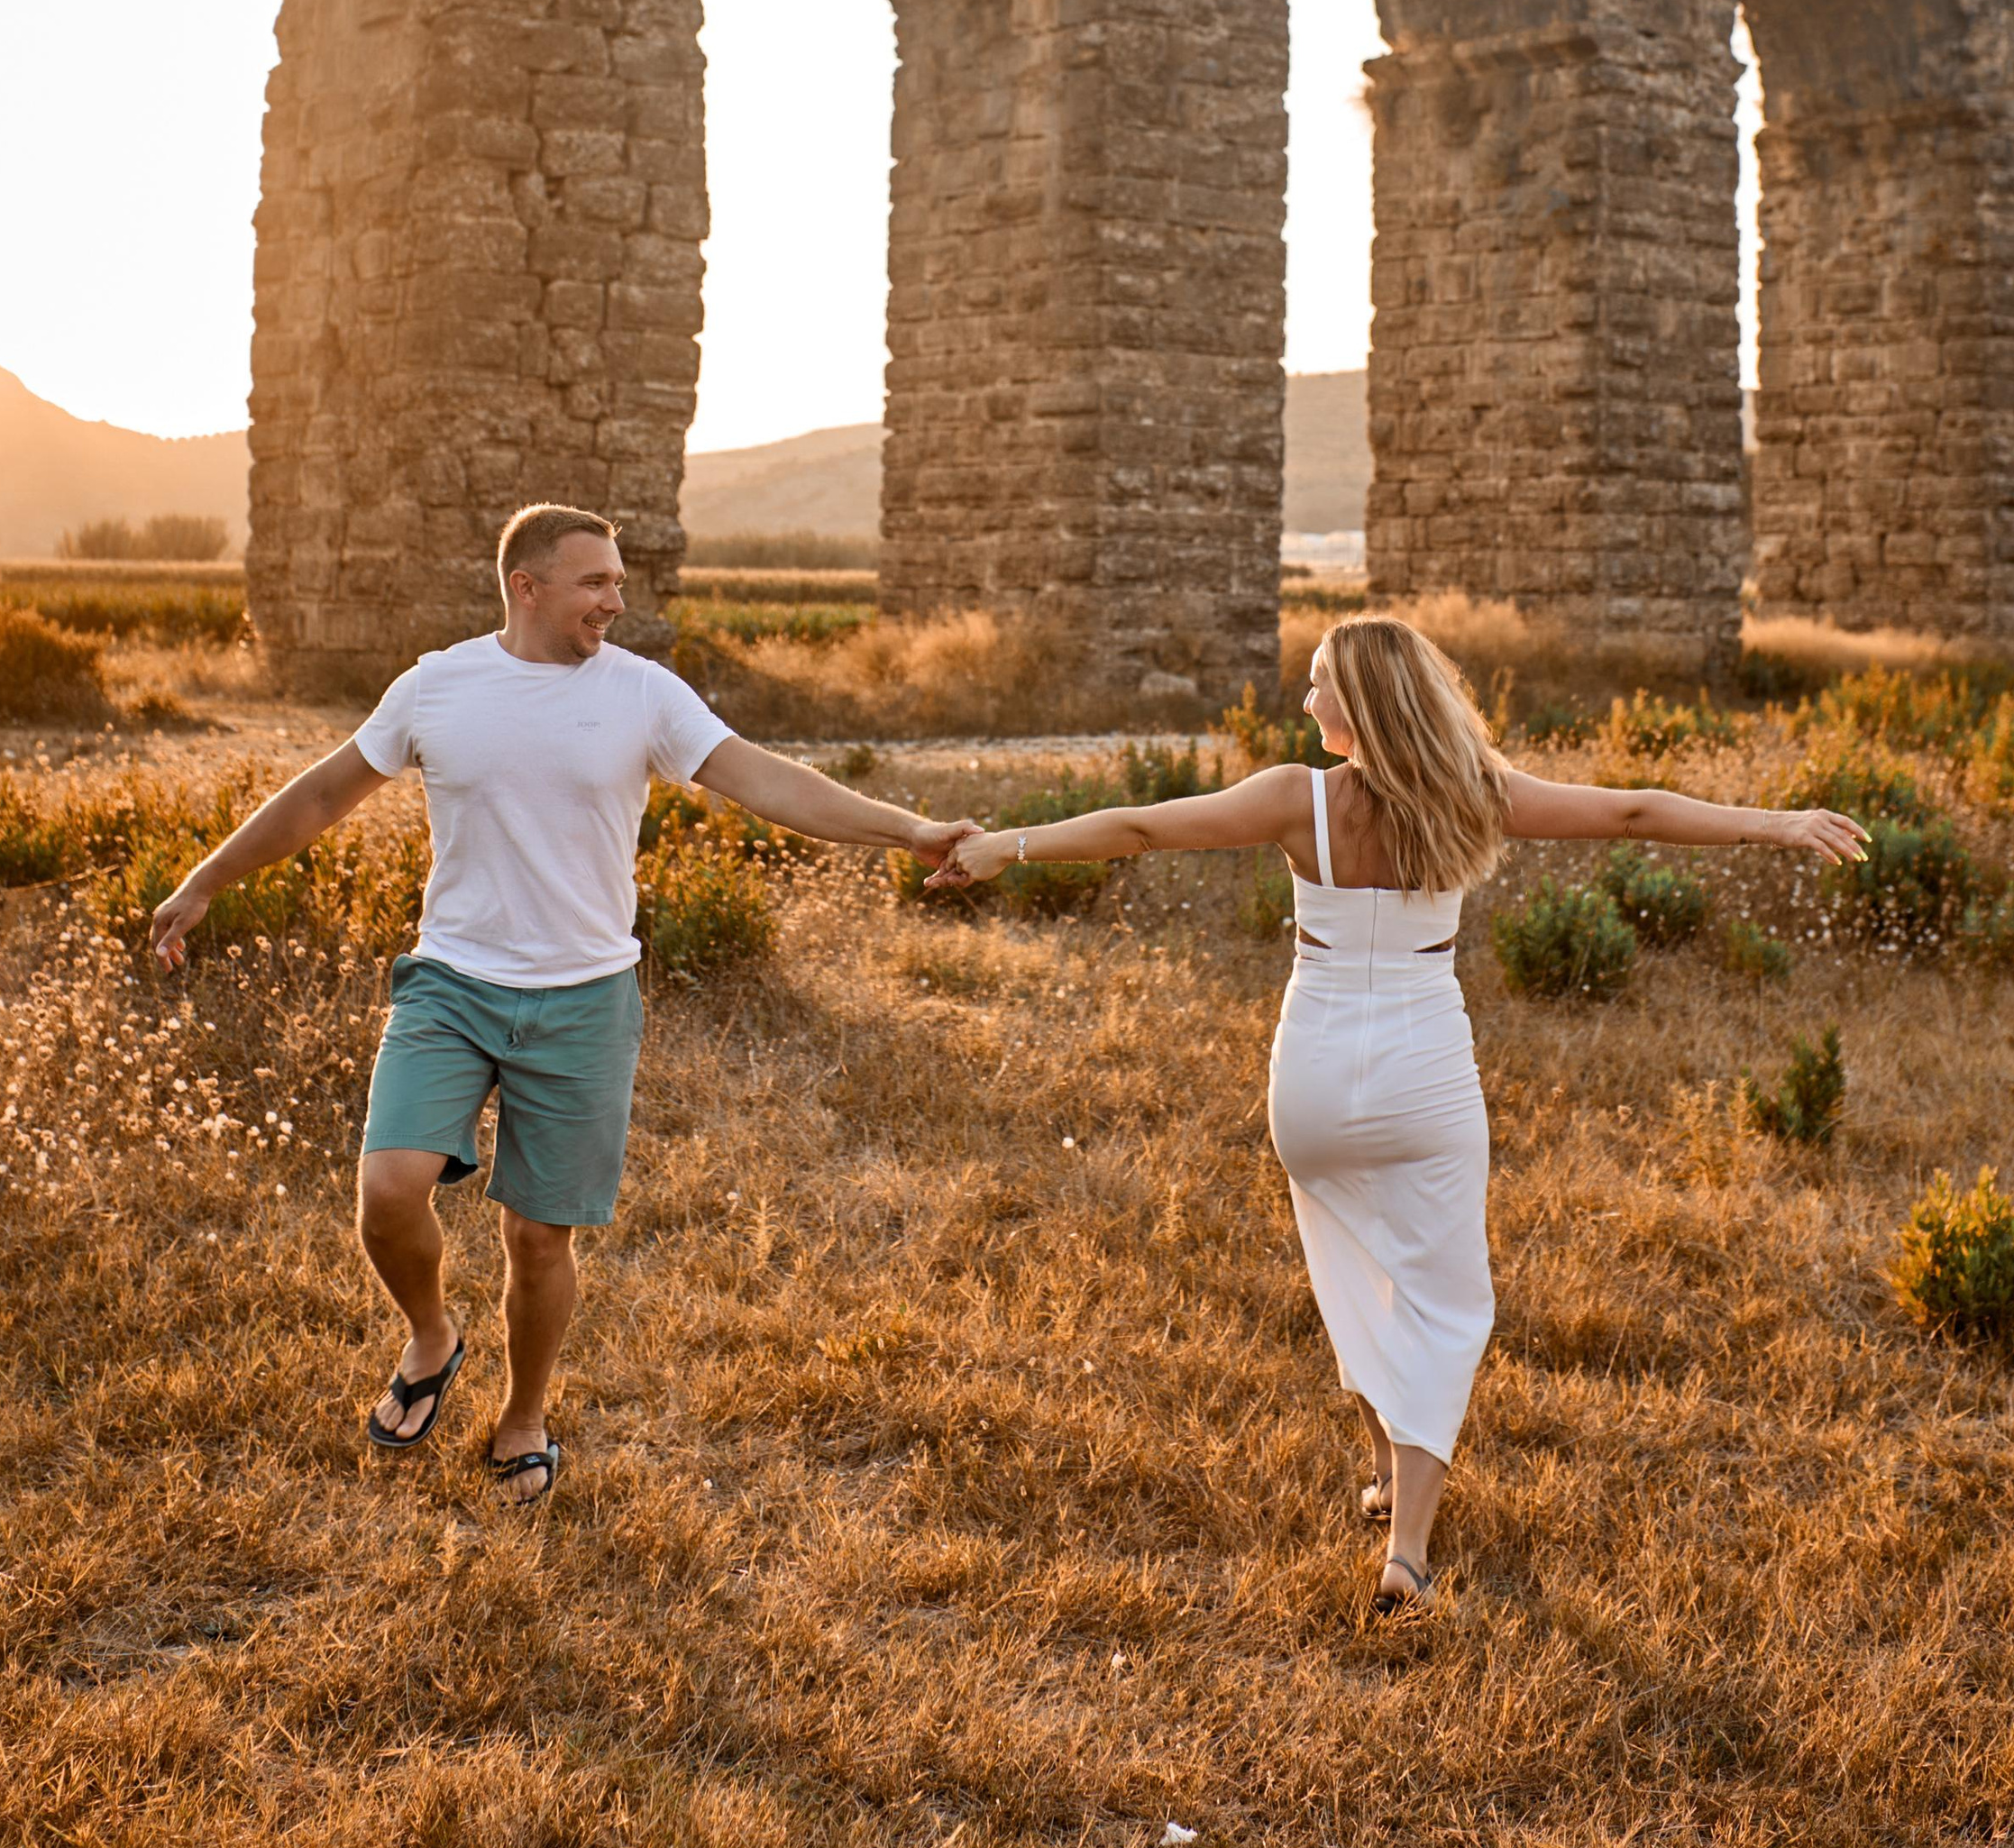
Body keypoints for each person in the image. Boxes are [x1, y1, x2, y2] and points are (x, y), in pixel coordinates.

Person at [940, 611, 1863, 1613]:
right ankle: (1407, 1552)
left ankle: (1385, 1472)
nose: (1304, 701)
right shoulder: (1478, 796)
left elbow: (1140, 828)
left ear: (1360, 703)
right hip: (1424, 1073)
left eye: (1317, 685)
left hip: (1316, 1082)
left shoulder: (1296, 801)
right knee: (1441, 1297)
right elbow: (1633, 813)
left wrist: (1003, 847)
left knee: (1352, 1267)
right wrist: (1771, 823)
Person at [151, 505, 979, 1506]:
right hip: (452, 982)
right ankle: (431, 1334)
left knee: (539, 1239)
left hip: (584, 999)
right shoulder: (437, 684)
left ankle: (524, 1416)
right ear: (526, 586)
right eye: (594, 583)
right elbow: (322, 794)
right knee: (387, 1193)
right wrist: (206, 879)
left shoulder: (644, 695)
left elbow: (766, 782)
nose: (615, 602)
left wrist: (909, 830)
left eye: (619, 582)